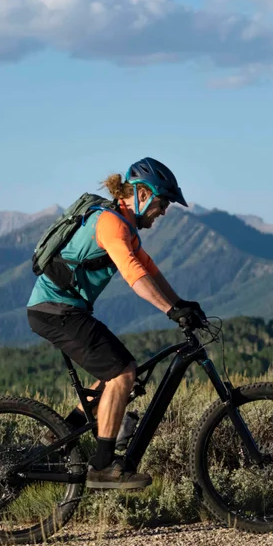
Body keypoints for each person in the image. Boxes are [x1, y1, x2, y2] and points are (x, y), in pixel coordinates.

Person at [25, 157, 208, 489]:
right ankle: (103, 467)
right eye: (162, 202)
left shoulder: (127, 229)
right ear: (141, 194)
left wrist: (180, 303)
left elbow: (150, 270)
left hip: (66, 310)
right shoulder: (111, 225)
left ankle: (60, 438)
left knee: (119, 375)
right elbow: (134, 276)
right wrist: (171, 311)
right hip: (56, 311)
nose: (164, 210)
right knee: (122, 372)